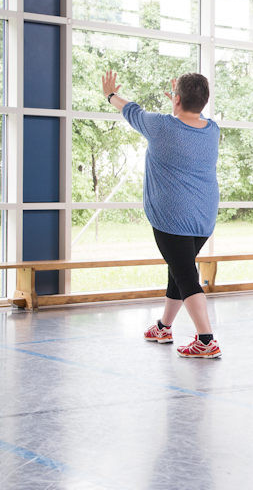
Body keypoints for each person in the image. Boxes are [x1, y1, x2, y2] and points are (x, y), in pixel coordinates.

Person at [102, 70, 222, 358]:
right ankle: (163, 326)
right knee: (178, 269)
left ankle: (206, 340)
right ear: (204, 101)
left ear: (177, 98)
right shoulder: (212, 130)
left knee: (184, 274)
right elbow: (187, 122)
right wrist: (179, 105)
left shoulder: (160, 126)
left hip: (173, 217)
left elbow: (129, 109)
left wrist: (109, 94)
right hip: (203, 217)